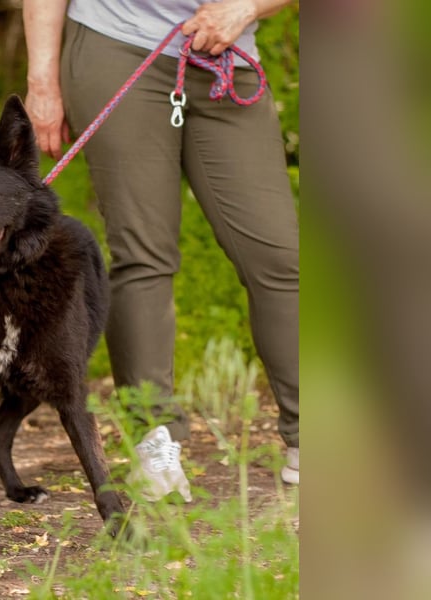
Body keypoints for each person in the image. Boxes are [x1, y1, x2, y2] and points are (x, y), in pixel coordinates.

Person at [23, 0, 299, 485]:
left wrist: (247, 8)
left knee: (279, 256)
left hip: (228, 55)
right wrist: (41, 82)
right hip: (119, 46)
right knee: (143, 251)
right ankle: (155, 440)